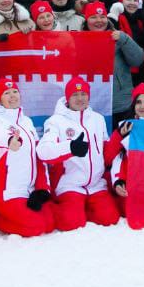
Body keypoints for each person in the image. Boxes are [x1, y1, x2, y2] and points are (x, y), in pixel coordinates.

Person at [37, 78, 120, 230]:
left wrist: (118, 136)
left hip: (95, 184)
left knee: (110, 218)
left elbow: (106, 154)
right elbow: (43, 151)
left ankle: (81, 210)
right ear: (68, 98)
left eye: (83, 94)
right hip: (70, 184)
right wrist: (71, 148)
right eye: (75, 94)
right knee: (72, 223)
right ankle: (54, 208)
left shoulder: (98, 119)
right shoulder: (55, 121)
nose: (80, 98)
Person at [0, 80, 54, 237]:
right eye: (6, 93)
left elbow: (38, 156)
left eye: (14, 91)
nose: (12, 96)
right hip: (6, 193)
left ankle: (14, 215)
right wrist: (10, 141)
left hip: (28, 190)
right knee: (36, 227)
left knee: (49, 223)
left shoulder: (26, 121)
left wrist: (41, 189)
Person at [105, 83, 144, 216]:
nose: (142, 106)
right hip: (131, 183)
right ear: (133, 105)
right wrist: (119, 136)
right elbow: (110, 158)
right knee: (132, 209)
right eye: (138, 102)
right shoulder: (124, 127)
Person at [82, 0, 144, 117]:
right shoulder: (79, 41)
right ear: (86, 21)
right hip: (92, 105)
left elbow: (137, 60)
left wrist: (124, 39)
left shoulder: (118, 38)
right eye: (93, 17)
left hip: (120, 103)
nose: (99, 21)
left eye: (102, 17)